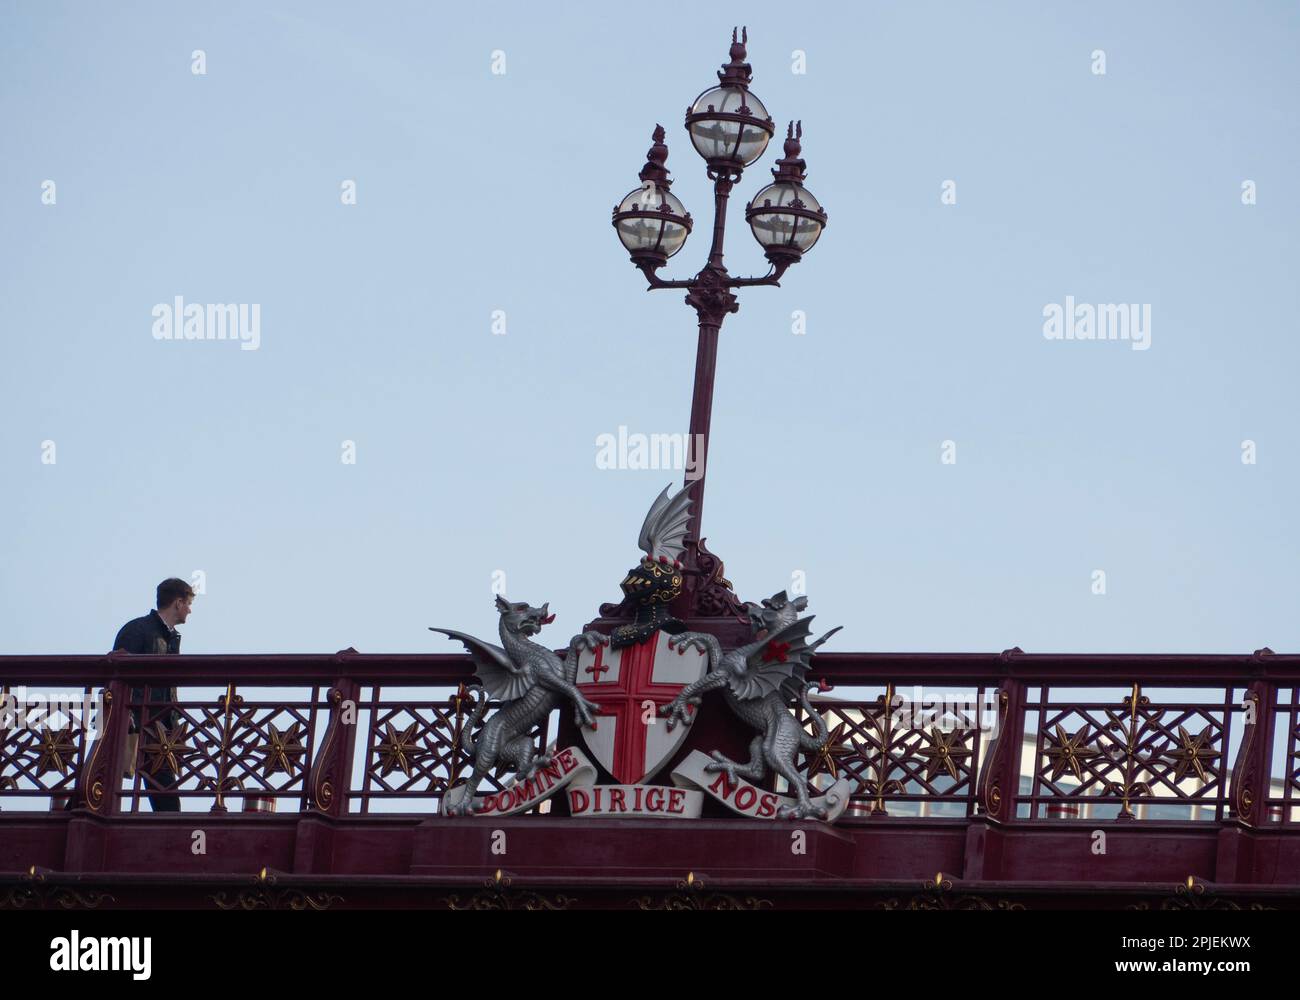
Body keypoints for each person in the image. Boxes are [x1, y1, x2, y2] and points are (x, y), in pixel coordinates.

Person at [111, 578, 195, 812]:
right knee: (104, 779)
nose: (189, 610)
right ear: (178, 603)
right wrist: (129, 718)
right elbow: (118, 675)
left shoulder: (168, 636)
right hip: (139, 724)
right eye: (188, 604)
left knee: (104, 782)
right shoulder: (138, 629)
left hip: (158, 729)